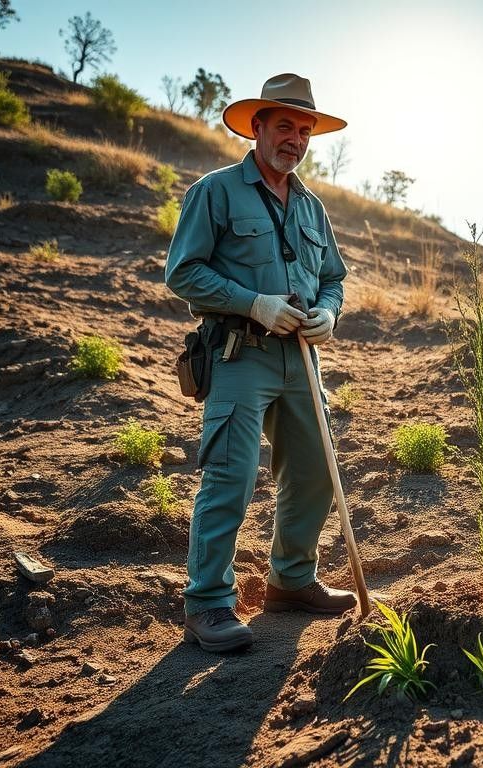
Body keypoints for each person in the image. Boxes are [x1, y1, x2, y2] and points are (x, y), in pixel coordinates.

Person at [165, 73, 356, 652]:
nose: (294, 139)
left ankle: (291, 582)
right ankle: (208, 603)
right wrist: (255, 303)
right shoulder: (216, 191)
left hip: (302, 359)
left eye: (304, 129)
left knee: (316, 469)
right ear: (257, 128)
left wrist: (328, 313)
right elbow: (183, 272)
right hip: (239, 352)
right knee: (232, 473)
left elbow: (334, 279)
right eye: (283, 126)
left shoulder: (312, 206)